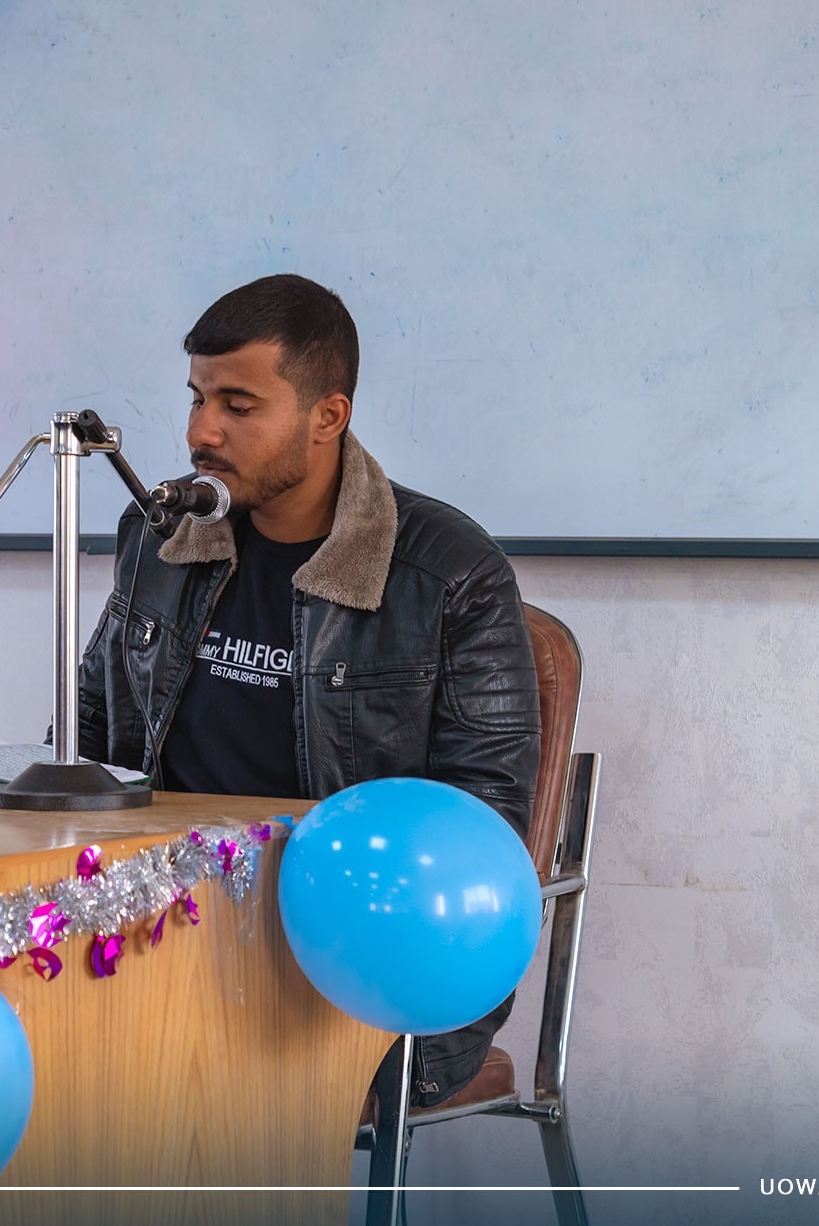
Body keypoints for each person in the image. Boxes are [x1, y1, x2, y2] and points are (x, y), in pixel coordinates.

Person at [75, 272, 542, 1107]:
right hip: (162, 928)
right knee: (48, 1044)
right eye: (197, 399)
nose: (201, 431)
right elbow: (87, 736)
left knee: (167, 1088)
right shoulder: (160, 540)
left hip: (359, 958)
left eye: (239, 406)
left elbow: (485, 819)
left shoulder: (449, 571)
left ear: (328, 416)